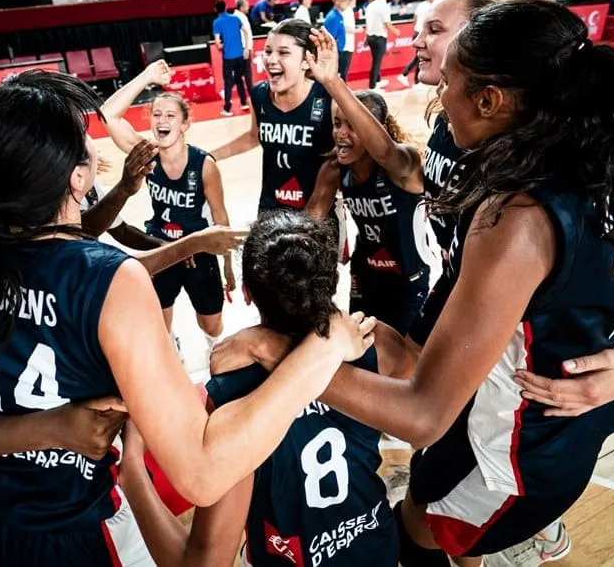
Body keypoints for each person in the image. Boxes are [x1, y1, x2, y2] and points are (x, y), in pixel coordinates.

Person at [0, 70, 373, 567]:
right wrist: (321, 349)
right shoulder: (108, 277)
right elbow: (204, 472)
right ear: (76, 174)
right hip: (84, 529)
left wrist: (49, 427)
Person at [219, 0, 614, 567]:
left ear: (489, 92)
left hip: (514, 445)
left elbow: (422, 413)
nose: (420, 47)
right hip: (506, 359)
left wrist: (282, 358)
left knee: (414, 532)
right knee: (397, 381)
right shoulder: (590, 149)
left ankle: (515, 530)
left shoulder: (516, 215)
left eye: (437, 33)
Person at [119, 210, 410, 567]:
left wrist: (131, 470)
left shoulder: (231, 393)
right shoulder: (375, 344)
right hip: (376, 551)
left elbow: (203, 563)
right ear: (332, 281)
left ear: (247, 294)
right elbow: (418, 393)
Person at [99, 72, 236, 352]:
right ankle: (171, 349)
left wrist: (229, 267)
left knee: (212, 326)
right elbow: (108, 115)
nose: (162, 120)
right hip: (160, 247)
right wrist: (146, 76)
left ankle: (215, 350)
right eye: (156, 114)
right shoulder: (146, 153)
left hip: (198, 251)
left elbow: (221, 219)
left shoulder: (204, 165)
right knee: (160, 324)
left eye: (171, 116)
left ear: (185, 124)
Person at [304, 90, 431, 333]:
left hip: (408, 279)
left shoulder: (404, 163)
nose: (340, 134)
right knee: (363, 350)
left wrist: (332, 81)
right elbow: (308, 222)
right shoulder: (334, 170)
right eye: (337, 123)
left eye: (352, 126)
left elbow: (385, 152)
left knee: (404, 360)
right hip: (365, 276)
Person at [210, 19, 334, 213]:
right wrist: (210, 156)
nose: (271, 59)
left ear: (306, 61)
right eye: (268, 51)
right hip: (271, 208)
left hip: (318, 213)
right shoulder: (260, 94)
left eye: (283, 52)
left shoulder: (327, 98)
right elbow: (253, 136)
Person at [213, 0, 250, 116]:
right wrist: (245, 48)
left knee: (228, 82)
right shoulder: (235, 18)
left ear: (215, 9)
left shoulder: (217, 22)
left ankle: (227, 109)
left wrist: (224, 45)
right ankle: (244, 102)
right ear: (226, 7)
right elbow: (246, 32)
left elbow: (218, 43)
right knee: (239, 80)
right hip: (240, 55)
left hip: (228, 57)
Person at [366, 0, 400, 91]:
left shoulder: (371, 4)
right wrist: (395, 31)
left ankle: (378, 81)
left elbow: (368, 22)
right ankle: (372, 86)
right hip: (379, 38)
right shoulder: (384, 6)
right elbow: (387, 23)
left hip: (370, 37)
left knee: (376, 60)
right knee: (377, 62)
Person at [322, 0, 350, 80]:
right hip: (335, 52)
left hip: (339, 50)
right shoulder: (333, 17)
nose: (346, 3)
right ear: (336, 2)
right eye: (343, 0)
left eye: (346, 0)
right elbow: (330, 39)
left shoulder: (339, 15)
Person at [234, 0, 254, 87]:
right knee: (246, 72)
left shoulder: (242, 16)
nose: (248, 7)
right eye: (246, 6)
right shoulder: (237, 17)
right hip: (242, 48)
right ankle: (253, 95)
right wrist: (246, 49)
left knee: (243, 72)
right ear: (241, 7)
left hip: (245, 48)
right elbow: (241, 35)